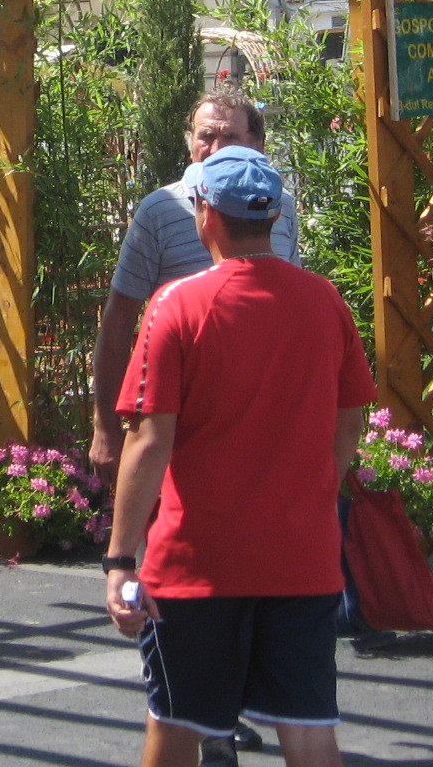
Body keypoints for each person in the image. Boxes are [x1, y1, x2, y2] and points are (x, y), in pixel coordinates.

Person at [103, 146, 374, 767]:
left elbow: (148, 440)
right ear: (273, 218)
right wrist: (316, 491)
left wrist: (119, 558)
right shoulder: (324, 302)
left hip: (200, 565)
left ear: (205, 216)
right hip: (301, 559)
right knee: (310, 731)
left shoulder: (177, 306)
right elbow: (350, 417)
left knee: (176, 727)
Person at [89, 88, 299, 483]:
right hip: (178, 420)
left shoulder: (280, 206)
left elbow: (292, 308)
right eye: (206, 135)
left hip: (268, 418)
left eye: (230, 137)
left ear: (258, 144)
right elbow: (118, 323)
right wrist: (105, 426)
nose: (216, 147)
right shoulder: (161, 210)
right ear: (190, 143)